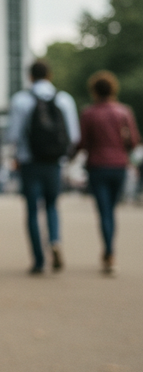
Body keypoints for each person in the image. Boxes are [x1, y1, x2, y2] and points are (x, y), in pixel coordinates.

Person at [7, 60, 80, 275]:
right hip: (54, 162)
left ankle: (38, 259)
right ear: (50, 75)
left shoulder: (21, 100)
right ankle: (55, 240)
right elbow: (74, 136)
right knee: (52, 205)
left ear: (30, 76)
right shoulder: (64, 99)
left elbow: (12, 134)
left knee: (31, 210)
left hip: (29, 162)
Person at [76, 70, 140, 274]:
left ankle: (109, 252)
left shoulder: (88, 113)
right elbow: (135, 140)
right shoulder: (124, 112)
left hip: (97, 166)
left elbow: (83, 142)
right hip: (118, 165)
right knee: (111, 211)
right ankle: (110, 251)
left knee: (104, 212)